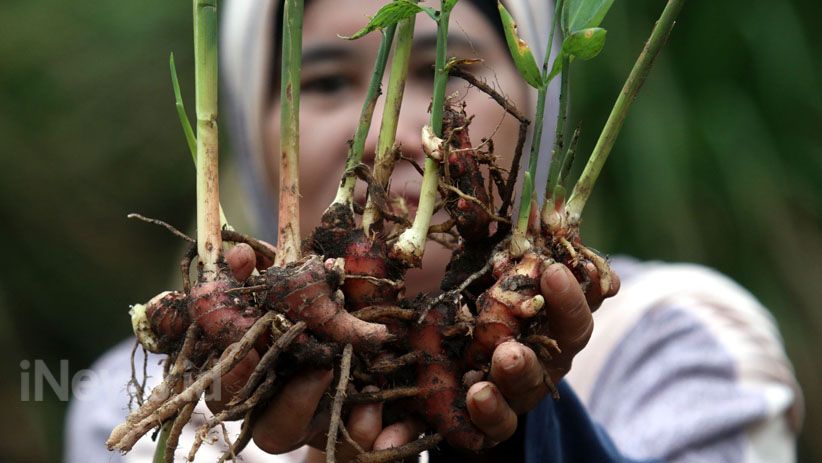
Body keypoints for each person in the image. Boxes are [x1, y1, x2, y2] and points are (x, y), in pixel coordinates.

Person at [66, 0, 803, 462]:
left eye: (444, 70)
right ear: (250, 134)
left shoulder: (680, 332)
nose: (389, 133)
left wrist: (526, 442)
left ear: (534, 102)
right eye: (325, 82)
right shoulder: (131, 402)